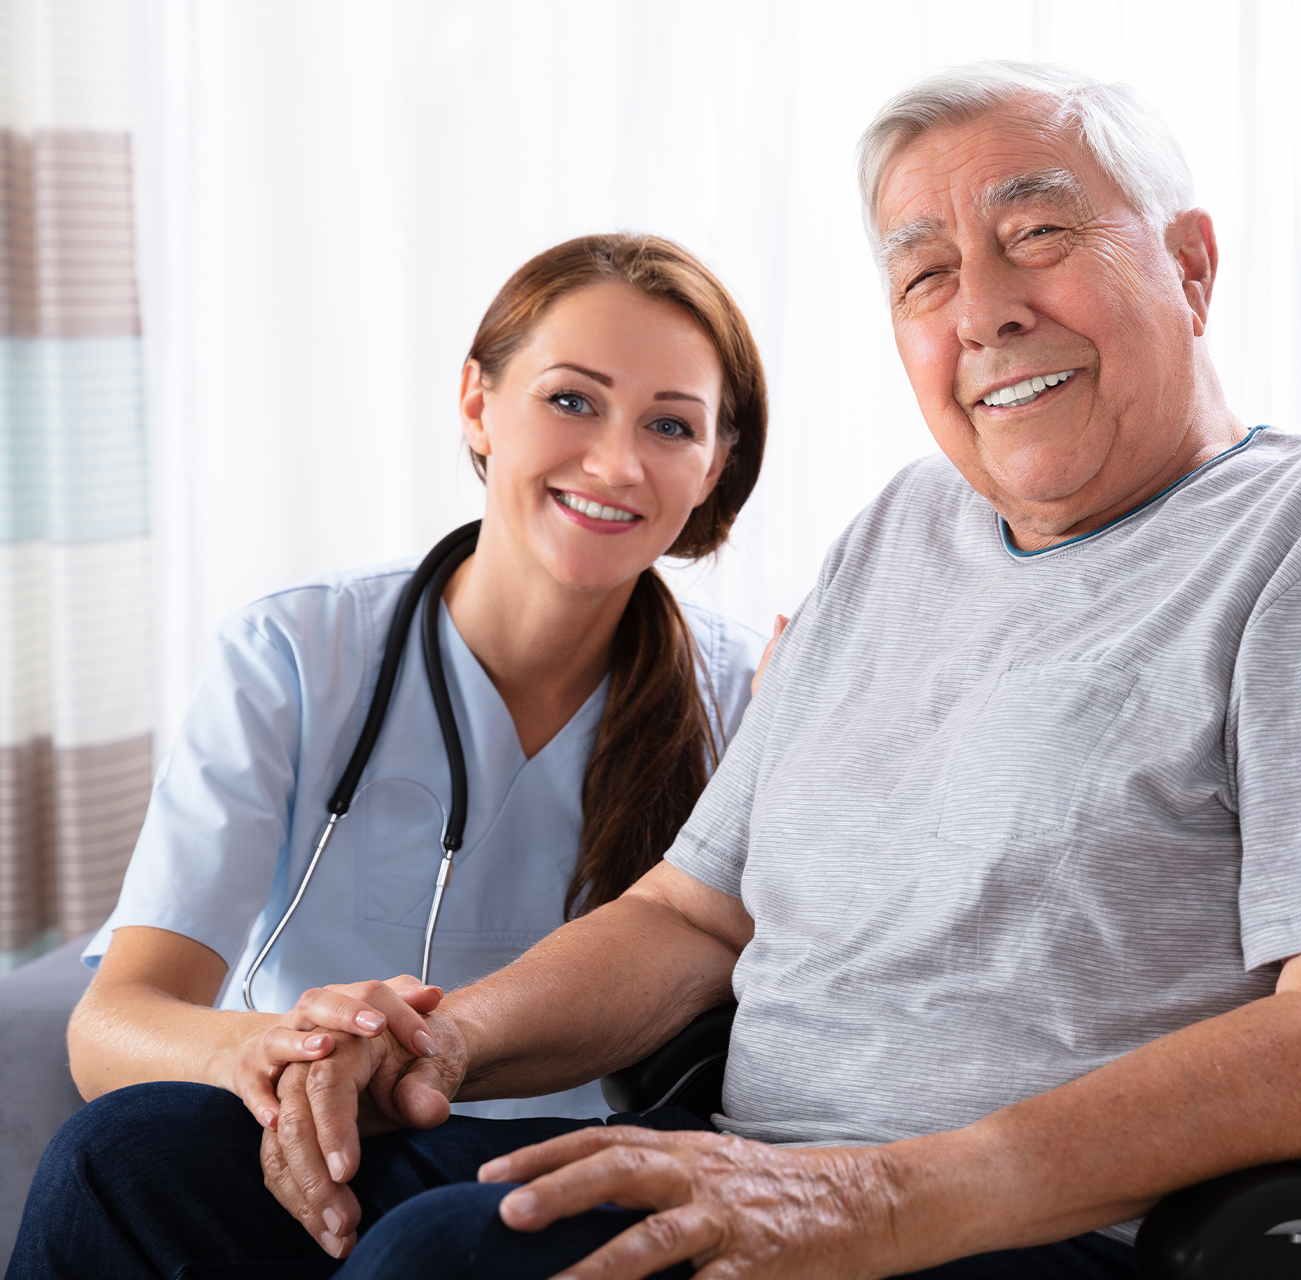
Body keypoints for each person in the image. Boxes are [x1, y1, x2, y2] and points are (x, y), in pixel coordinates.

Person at [10, 63, 1301, 1280]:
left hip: (1031, 1229)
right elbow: (693, 913)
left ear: (1192, 267)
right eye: (924, 271)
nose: (984, 304)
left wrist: (885, 1193)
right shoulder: (902, 533)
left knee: (457, 1259)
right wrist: (446, 1039)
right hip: (756, 1170)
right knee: (136, 1166)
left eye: (1039, 232)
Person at [59, 233, 770, 1127]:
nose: (616, 464)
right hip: (316, 1125)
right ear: (478, 403)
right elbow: (113, 1026)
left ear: (712, 465)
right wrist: (272, 1050)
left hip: (576, 1181)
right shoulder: (295, 656)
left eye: (670, 425)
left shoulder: (751, 699)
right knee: (114, 1144)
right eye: (571, 400)